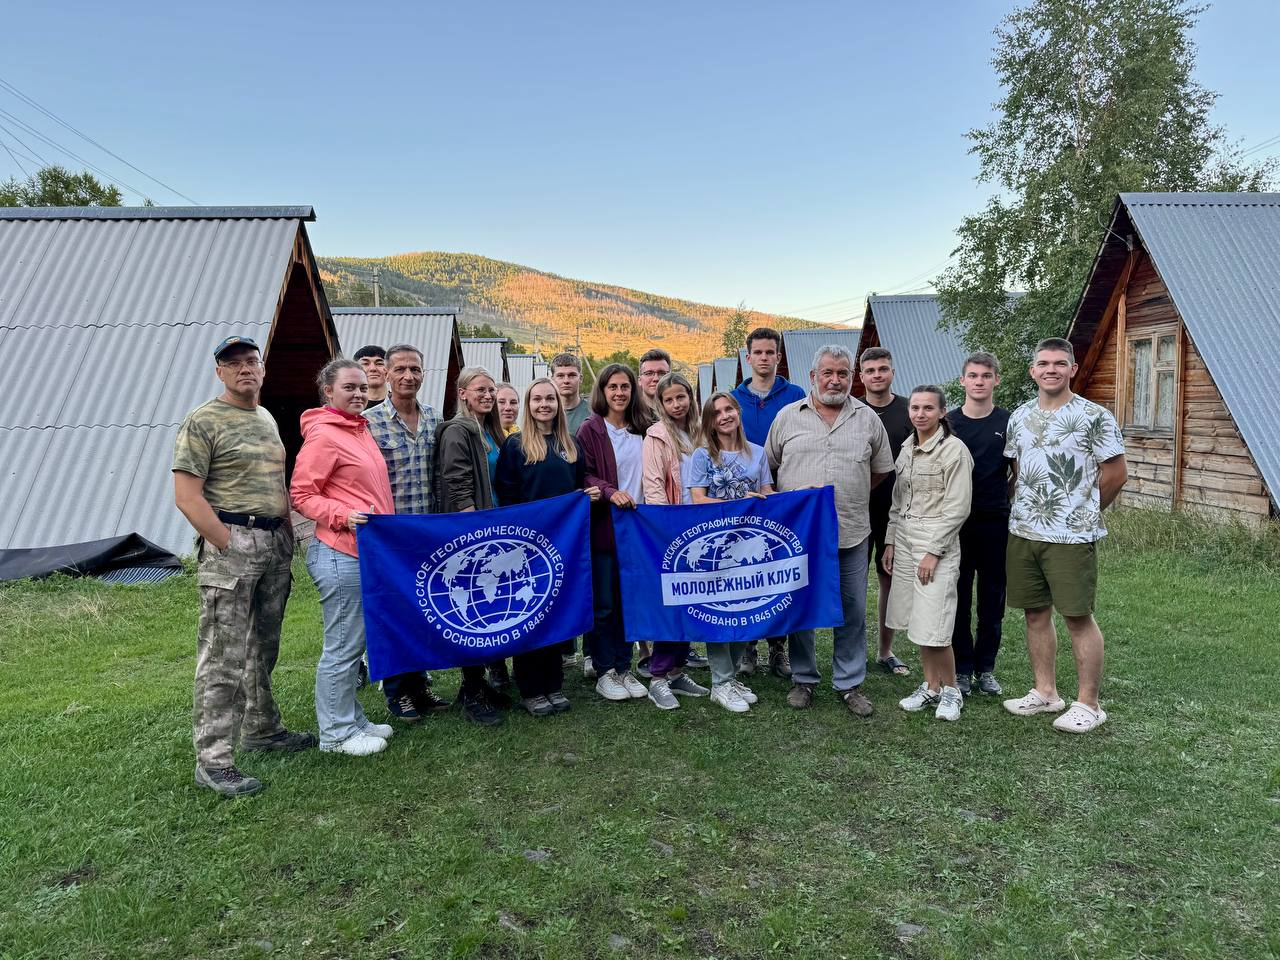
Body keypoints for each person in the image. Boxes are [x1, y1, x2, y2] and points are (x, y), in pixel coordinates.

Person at [173, 336, 316, 798]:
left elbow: (277, 485)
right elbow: (186, 496)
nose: (245, 369)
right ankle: (214, 761)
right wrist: (225, 541)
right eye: (233, 363)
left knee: (263, 646)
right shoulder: (203, 420)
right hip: (233, 543)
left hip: (274, 543)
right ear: (220, 372)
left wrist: (288, 535)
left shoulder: (266, 417)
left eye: (252, 361)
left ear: (262, 369)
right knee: (223, 655)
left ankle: (262, 728)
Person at [1002, 338, 1127, 734]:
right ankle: (1045, 693)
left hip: (1071, 536)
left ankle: (1089, 705)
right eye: (1043, 363)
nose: (1051, 369)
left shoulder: (1094, 416)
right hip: (1024, 530)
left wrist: (1084, 512)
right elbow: (1019, 469)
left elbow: (1116, 474)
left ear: (1072, 369)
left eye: (1059, 363)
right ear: (1032, 371)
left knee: (1077, 617)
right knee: (1035, 613)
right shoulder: (1019, 416)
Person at [766, 345, 894, 716]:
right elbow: (769, 468)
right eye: (828, 373)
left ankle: (849, 683)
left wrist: (850, 492)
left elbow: (880, 469)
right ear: (813, 377)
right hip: (799, 536)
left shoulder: (867, 419)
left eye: (842, 373)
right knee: (801, 605)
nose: (835, 381)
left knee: (852, 607)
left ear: (851, 378)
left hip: (851, 529)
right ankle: (804, 678)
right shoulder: (787, 417)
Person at [290, 360, 395, 756]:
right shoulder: (324, 435)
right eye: (349, 387)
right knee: (343, 645)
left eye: (363, 387)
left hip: (364, 552)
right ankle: (335, 733)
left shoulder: (358, 429)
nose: (358, 394)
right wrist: (342, 515)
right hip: (340, 551)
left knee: (356, 641)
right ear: (328, 391)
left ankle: (353, 720)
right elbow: (301, 494)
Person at [495, 378, 601, 716]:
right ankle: (530, 687)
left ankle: (553, 683)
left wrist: (586, 496)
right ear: (528, 405)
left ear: (558, 404)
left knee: (554, 611)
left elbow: (577, 487)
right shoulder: (516, 446)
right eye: (537, 399)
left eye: (550, 399)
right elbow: (507, 495)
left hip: (561, 545)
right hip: (525, 547)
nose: (544, 405)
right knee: (528, 613)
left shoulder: (571, 445)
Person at [364, 344, 452, 722]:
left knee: (424, 611)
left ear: (423, 374)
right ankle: (398, 692)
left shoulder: (435, 418)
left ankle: (420, 685)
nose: (408, 376)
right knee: (394, 613)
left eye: (414, 369)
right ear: (386, 374)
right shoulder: (369, 423)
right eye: (399, 369)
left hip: (427, 533)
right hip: (390, 537)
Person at [883, 386, 974, 722]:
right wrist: (891, 541)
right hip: (906, 538)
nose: (920, 414)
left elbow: (958, 507)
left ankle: (951, 691)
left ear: (942, 412)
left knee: (935, 622)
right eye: (915, 408)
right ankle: (931, 686)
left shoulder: (954, 451)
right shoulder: (907, 448)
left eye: (928, 408)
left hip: (936, 541)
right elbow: (898, 500)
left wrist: (934, 552)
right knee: (918, 619)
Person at [689, 392, 776, 713]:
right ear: (710, 422)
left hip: (748, 546)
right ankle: (721, 682)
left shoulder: (758, 452)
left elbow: (767, 494)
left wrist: (801, 496)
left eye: (729, 409)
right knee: (719, 611)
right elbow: (698, 499)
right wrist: (737, 502)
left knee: (744, 609)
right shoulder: (702, 456)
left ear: (738, 412)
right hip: (717, 548)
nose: (725, 416)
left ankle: (732, 675)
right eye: (717, 413)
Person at [435, 366, 510, 726]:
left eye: (491, 390)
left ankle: (480, 684)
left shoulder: (490, 430)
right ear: (462, 392)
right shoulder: (457, 430)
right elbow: (456, 481)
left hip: (494, 526)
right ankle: (471, 689)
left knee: (489, 607)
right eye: (480, 389)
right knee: (471, 608)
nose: (488, 395)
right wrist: (475, 531)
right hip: (474, 534)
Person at [731, 326, 805, 679]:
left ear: (778, 356)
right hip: (743, 498)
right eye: (757, 352)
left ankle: (779, 647)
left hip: (782, 494)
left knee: (778, 570)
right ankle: (748, 645)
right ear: (748, 357)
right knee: (747, 571)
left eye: (769, 352)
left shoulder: (796, 395)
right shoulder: (734, 398)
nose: (763, 358)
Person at [576, 363, 652, 702]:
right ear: (602, 391)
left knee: (628, 601)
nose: (619, 393)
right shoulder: (591, 429)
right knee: (605, 603)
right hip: (606, 527)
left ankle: (624, 667)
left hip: (639, 528)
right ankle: (604, 669)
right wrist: (610, 491)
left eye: (625, 387)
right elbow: (585, 474)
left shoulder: (645, 427)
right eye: (613, 387)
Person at [639, 372, 711, 709]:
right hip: (673, 526)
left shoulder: (701, 431)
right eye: (669, 400)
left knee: (693, 603)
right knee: (671, 603)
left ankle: (678, 672)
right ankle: (658, 677)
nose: (676, 404)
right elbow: (653, 484)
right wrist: (665, 525)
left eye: (681, 397)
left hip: (703, 525)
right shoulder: (656, 436)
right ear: (661, 404)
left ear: (690, 397)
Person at [948, 352, 1014, 696]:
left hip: (995, 521)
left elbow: (1017, 473)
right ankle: (961, 668)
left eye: (986, 376)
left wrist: (1001, 499)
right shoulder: (949, 422)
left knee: (992, 598)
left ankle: (986, 668)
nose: (979, 381)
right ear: (962, 381)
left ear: (996, 380)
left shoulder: (1009, 421)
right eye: (972, 375)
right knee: (958, 596)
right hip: (957, 524)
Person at [858, 347, 914, 678]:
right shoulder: (852, 410)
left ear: (892, 372)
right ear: (861, 376)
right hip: (856, 508)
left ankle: (885, 650)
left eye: (883, 369)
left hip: (897, 510)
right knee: (852, 582)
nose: (877, 375)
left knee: (888, 578)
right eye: (871, 370)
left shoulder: (910, 410)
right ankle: (851, 652)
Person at [551, 352, 592, 434]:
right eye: (560, 376)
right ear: (552, 379)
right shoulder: (545, 413)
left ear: (580, 378)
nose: (566, 381)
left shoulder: (593, 413)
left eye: (572, 375)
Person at [353, 345, 389, 411]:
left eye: (379, 364)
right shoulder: (347, 407)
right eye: (365, 363)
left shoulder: (401, 405)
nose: (373, 369)